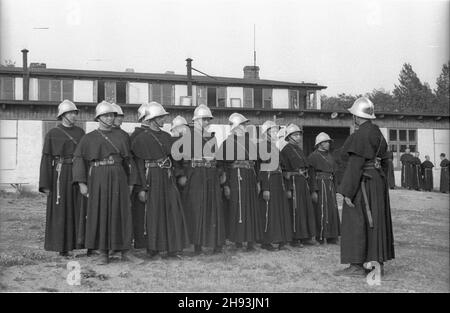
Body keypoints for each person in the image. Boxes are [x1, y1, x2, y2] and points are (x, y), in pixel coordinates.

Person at [73, 101, 141, 265]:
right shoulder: (88, 138)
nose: (110, 118)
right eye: (106, 115)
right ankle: (103, 252)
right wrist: (82, 183)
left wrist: (131, 182)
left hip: (119, 176)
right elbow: (79, 160)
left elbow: (129, 162)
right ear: (98, 118)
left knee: (122, 213)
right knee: (100, 212)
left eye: (112, 115)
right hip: (98, 176)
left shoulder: (122, 136)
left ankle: (125, 251)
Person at [334, 97, 395, 277]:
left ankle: (356, 265)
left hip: (362, 183)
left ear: (356, 117)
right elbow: (385, 161)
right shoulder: (378, 133)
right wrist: (381, 182)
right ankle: (377, 264)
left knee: (355, 221)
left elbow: (355, 165)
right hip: (376, 182)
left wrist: (347, 192)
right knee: (376, 221)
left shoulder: (359, 136)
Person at [131, 102, 190, 259]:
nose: (164, 120)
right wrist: (141, 188)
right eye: (160, 117)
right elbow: (138, 165)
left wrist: (180, 174)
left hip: (168, 176)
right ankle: (153, 248)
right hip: (152, 177)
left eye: (163, 117)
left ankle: (173, 248)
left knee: (172, 211)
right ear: (152, 119)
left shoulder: (167, 137)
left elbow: (175, 160)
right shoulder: (140, 139)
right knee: (154, 213)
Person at [39, 100, 85, 256]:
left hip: (78, 172)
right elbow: (46, 159)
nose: (74, 116)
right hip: (60, 175)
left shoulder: (80, 133)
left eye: (75, 113)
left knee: (78, 208)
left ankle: (79, 244)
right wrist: (45, 184)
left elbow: (84, 156)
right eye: (70, 113)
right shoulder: (52, 134)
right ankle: (62, 248)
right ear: (63, 115)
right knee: (61, 210)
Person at [177, 105, 226, 254]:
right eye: (204, 119)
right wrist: (181, 175)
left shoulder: (212, 137)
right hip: (195, 176)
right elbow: (178, 159)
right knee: (196, 209)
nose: (206, 122)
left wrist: (220, 172)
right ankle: (197, 245)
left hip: (211, 176)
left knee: (214, 208)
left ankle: (216, 244)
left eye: (208, 119)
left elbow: (218, 158)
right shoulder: (187, 137)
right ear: (196, 120)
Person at [217, 113, 262, 251]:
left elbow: (257, 164)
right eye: (242, 124)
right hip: (235, 177)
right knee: (237, 208)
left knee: (250, 208)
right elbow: (221, 165)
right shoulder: (226, 143)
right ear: (236, 126)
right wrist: (225, 185)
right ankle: (237, 240)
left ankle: (250, 241)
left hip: (250, 177)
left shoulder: (251, 143)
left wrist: (258, 181)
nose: (244, 127)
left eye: (245, 125)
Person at [280, 124, 318, 247]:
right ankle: (295, 238)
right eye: (295, 134)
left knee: (305, 209)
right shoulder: (285, 150)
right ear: (289, 137)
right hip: (293, 182)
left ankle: (306, 236)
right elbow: (284, 170)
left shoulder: (299, 150)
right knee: (296, 209)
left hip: (303, 182)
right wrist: (288, 188)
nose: (298, 137)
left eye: (299, 134)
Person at [258, 120, 293, 251]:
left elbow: (283, 166)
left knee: (280, 211)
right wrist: (265, 188)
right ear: (265, 133)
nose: (274, 133)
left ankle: (281, 240)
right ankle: (267, 241)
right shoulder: (262, 147)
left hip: (279, 182)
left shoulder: (276, 148)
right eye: (272, 130)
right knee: (270, 211)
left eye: (275, 131)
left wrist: (287, 181)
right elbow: (262, 168)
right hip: (269, 181)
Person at [308, 132, 340, 244]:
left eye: (328, 142)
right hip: (320, 185)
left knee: (332, 210)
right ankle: (321, 235)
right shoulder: (313, 157)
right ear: (320, 144)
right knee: (321, 210)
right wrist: (313, 190)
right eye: (326, 142)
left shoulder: (330, 156)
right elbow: (311, 175)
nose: (328, 144)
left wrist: (335, 188)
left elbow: (334, 173)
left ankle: (332, 236)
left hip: (330, 185)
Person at [130, 102, 153, 249]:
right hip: (142, 179)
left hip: (157, 179)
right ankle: (141, 242)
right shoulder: (136, 136)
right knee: (140, 213)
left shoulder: (157, 134)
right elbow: (136, 164)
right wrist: (141, 187)